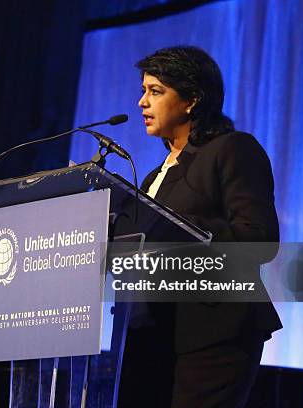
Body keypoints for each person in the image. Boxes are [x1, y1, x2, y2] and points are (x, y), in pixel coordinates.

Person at [116, 46, 282, 407]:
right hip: (153, 332)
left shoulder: (232, 149)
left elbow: (259, 240)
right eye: (143, 90)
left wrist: (179, 229)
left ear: (191, 99)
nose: (142, 102)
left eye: (155, 91)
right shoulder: (154, 177)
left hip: (214, 330)